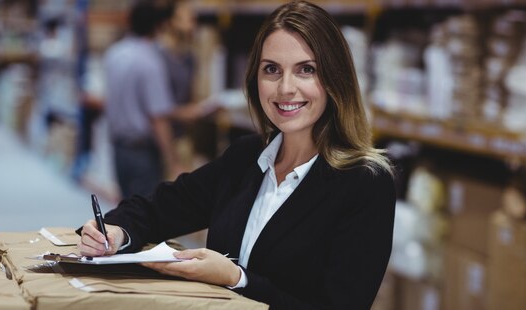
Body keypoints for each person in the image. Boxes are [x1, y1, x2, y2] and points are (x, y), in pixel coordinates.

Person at [79, 1, 396, 308]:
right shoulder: (247, 157)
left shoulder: (365, 183)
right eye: (271, 69)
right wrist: (117, 232)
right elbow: (162, 206)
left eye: (306, 70)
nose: (285, 88)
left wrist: (238, 279)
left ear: (334, 79)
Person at [103, 2, 184, 198]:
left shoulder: (114, 54)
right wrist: (173, 161)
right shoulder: (150, 62)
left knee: (124, 212)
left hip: (119, 148)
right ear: (158, 27)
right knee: (144, 216)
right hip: (142, 154)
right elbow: (157, 117)